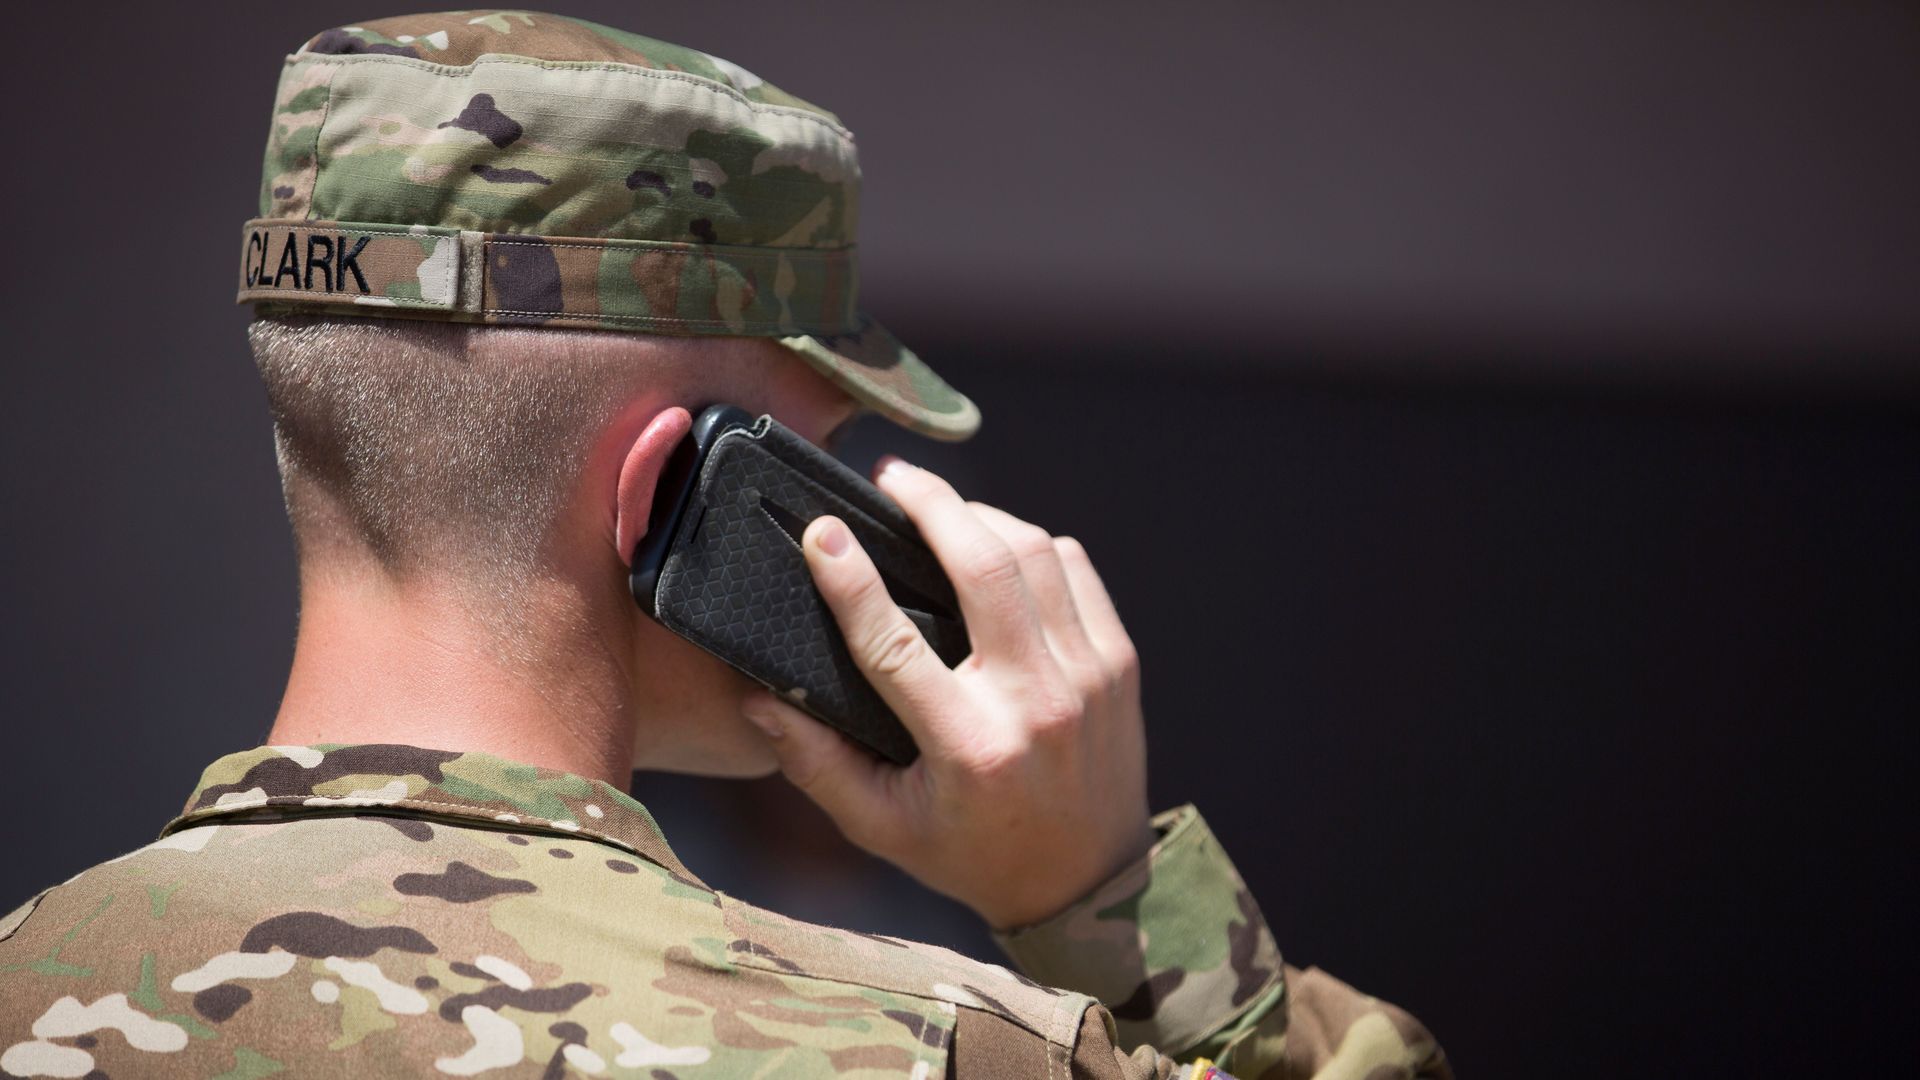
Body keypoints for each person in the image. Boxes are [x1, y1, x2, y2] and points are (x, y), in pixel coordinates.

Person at [0, 12, 1447, 1079]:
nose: (865, 514)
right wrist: (1102, 903)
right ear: (664, 498)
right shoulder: (933, 1052)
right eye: (830, 459)